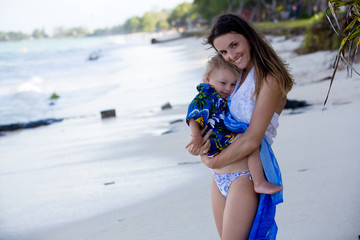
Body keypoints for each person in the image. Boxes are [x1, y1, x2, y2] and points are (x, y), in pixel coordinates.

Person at [198, 13, 294, 240]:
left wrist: (212, 160)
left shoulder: (269, 78)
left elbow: (252, 139)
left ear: (249, 37)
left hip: (245, 176)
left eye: (234, 45)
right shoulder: (235, 76)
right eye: (223, 52)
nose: (230, 55)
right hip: (219, 177)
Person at [185, 55, 283, 195]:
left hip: (220, 149)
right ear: (208, 79)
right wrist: (195, 136)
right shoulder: (206, 96)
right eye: (223, 83)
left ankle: (259, 181)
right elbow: (194, 116)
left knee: (250, 143)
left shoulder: (221, 97)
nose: (227, 88)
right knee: (251, 144)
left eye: (232, 84)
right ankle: (259, 182)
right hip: (218, 141)